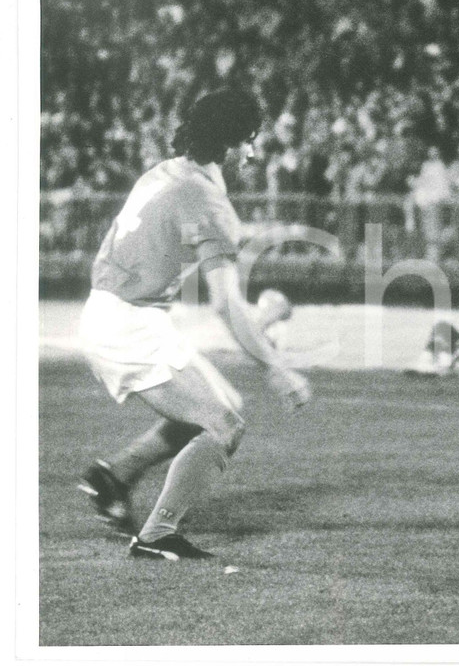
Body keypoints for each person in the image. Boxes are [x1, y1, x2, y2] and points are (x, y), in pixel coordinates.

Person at [77, 89, 312, 561]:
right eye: (247, 141)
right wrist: (276, 367)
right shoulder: (207, 201)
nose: (251, 153)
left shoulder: (165, 172)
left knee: (223, 406)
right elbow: (225, 304)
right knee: (224, 425)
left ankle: (114, 476)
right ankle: (157, 536)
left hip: (113, 311)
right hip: (128, 323)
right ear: (226, 143)